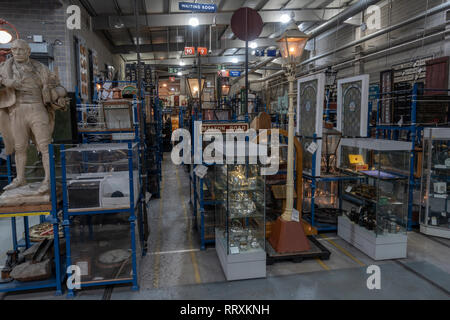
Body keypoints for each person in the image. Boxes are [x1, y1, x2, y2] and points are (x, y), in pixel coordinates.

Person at [0, 39, 67, 194]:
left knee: (45, 146)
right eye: (14, 49)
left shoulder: (40, 69)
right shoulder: (4, 69)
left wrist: (56, 93)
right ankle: (20, 178)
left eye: (20, 50)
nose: (17, 52)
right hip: (17, 109)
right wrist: (7, 83)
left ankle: (48, 180)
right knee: (19, 147)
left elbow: (60, 88)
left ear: (28, 51)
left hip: (37, 107)